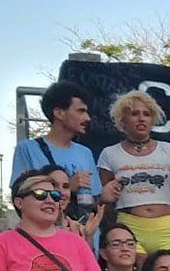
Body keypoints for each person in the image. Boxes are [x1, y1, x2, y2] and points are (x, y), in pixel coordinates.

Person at [97, 90, 170, 258]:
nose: (141, 118)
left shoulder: (168, 149)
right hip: (130, 225)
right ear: (122, 120)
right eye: (134, 114)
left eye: (147, 114)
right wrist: (113, 228)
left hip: (166, 226)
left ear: (153, 119)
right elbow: (105, 202)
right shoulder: (109, 153)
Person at [10, 82, 102, 220]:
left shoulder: (85, 153)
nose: (87, 118)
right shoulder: (28, 149)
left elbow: (94, 199)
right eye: (81, 111)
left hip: (83, 234)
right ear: (59, 113)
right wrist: (67, 187)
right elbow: (20, 197)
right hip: (46, 233)